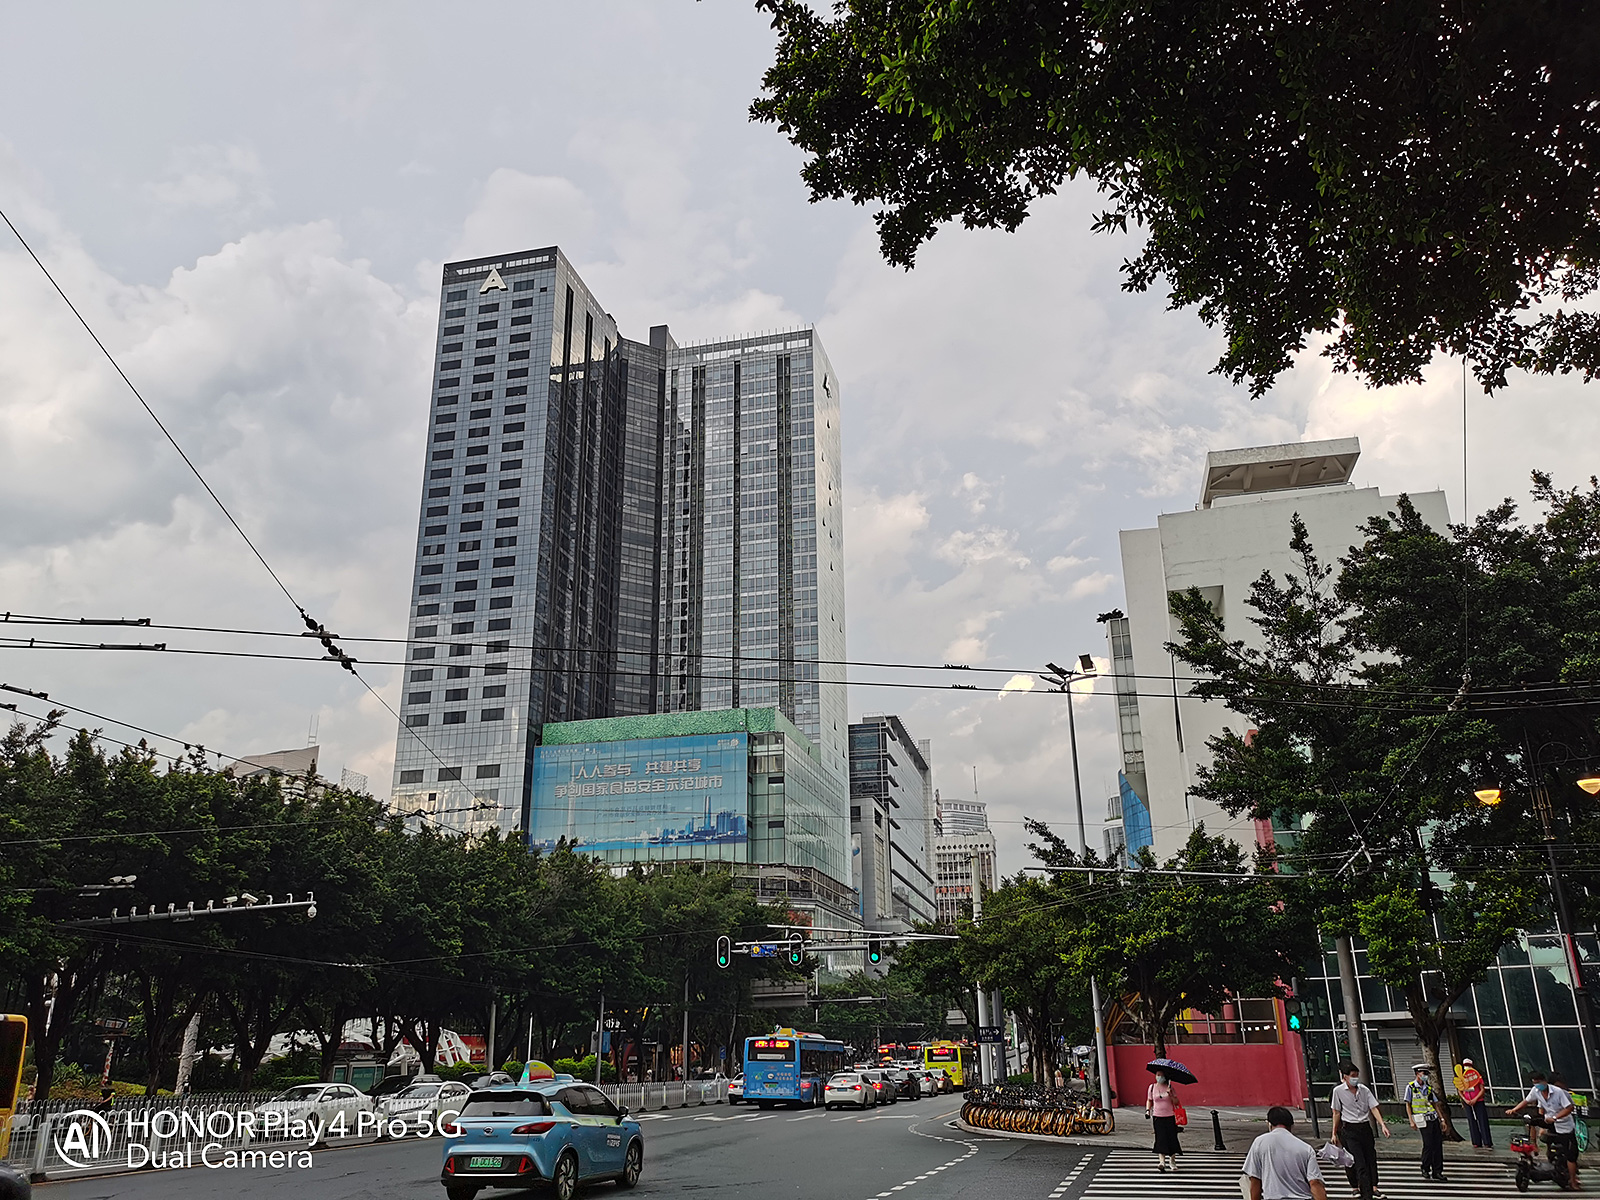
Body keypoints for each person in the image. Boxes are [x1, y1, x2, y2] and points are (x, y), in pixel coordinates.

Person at [1508, 1070, 1580, 1191]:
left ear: (1545, 1081)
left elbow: (1569, 1108)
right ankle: (1537, 1154)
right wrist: (1514, 1110)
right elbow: (1526, 1101)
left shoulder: (1558, 1092)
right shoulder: (1536, 1091)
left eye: (1539, 1082)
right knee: (1533, 1123)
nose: (1537, 1085)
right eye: (1534, 1083)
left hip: (1564, 1125)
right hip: (1549, 1122)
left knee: (1570, 1155)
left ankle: (1573, 1181)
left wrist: (1555, 1117)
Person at [1329, 1060, 1390, 1200]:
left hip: (1365, 1127)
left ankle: (1373, 1187)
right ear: (1345, 1076)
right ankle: (1365, 1193)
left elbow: (1373, 1107)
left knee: (1371, 1158)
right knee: (1358, 1162)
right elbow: (1336, 1113)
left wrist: (1382, 1124)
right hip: (1350, 1129)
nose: (1355, 1078)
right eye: (1352, 1076)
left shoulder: (1364, 1090)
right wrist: (1334, 1133)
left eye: (1356, 1075)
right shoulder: (1338, 1091)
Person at [1243, 1105, 1328, 1200]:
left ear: (1269, 1124)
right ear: (1291, 1126)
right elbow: (1315, 1182)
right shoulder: (1306, 1148)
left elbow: (1255, 1179)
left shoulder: (1259, 1143)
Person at [1403, 1064, 1446, 1182]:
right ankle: (1425, 1168)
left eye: (1427, 1074)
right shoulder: (1411, 1087)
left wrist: (1442, 1119)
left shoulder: (1429, 1088)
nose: (1425, 1076)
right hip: (1422, 1120)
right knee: (1428, 1144)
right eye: (1423, 1073)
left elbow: (1435, 1105)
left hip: (1433, 1118)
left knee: (1437, 1145)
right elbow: (1408, 1105)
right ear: (1417, 1074)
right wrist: (1411, 1121)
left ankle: (1437, 1171)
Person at [1145, 1069, 1182, 1171]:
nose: (1159, 1077)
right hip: (1157, 1116)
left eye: (1161, 1075)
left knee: (1172, 1138)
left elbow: (1176, 1102)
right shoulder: (1152, 1087)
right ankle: (1162, 1162)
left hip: (1170, 1116)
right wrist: (1148, 1110)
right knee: (1160, 1139)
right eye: (1157, 1075)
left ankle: (1172, 1161)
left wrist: (1170, 1094)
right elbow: (1149, 1100)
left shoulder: (1170, 1087)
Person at [1457, 1057, 1491, 1148]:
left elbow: (1482, 1089)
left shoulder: (1477, 1076)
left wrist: (1475, 1099)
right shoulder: (1461, 1077)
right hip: (1468, 1102)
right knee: (1472, 1121)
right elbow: (1460, 1091)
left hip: (1478, 1101)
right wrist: (1465, 1100)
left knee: (1482, 1121)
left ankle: (1487, 1141)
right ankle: (1476, 1141)